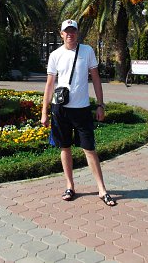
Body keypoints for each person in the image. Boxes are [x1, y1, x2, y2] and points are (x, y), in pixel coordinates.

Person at [41, 19, 116, 207]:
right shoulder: (55, 55)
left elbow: (96, 79)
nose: (70, 34)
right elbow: (49, 85)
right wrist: (44, 112)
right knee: (64, 147)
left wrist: (100, 105)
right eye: (66, 31)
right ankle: (70, 186)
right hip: (60, 109)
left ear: (77, 33)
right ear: (61, 34)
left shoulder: (87, 51)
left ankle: (102, 189)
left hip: (82, 109)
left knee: (89, 149)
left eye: (72, 31)